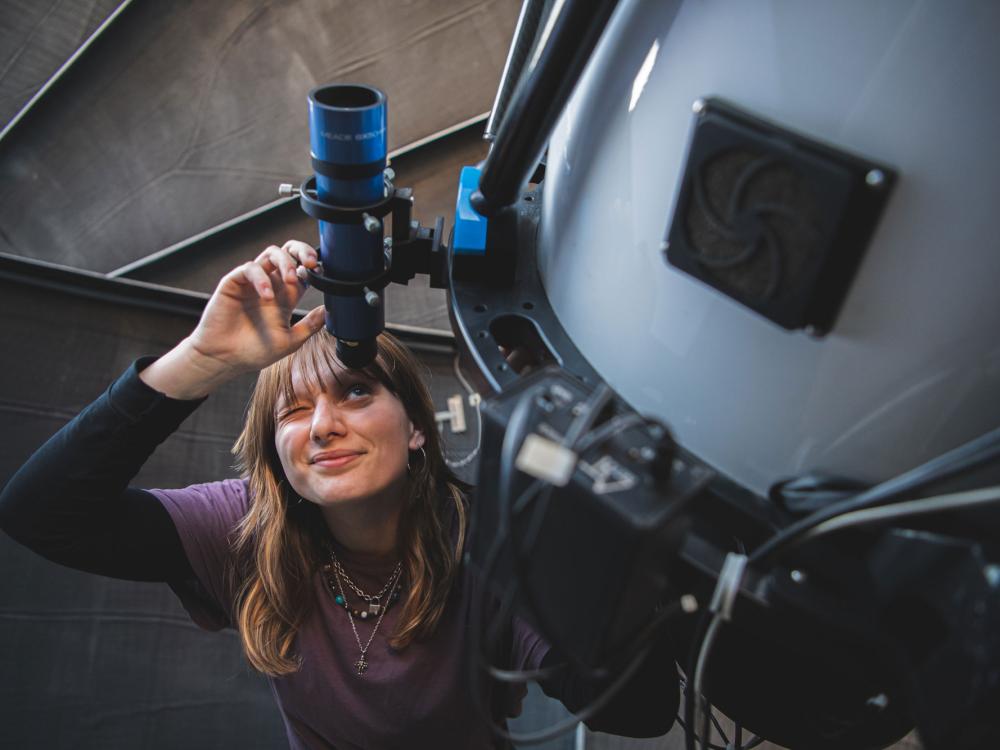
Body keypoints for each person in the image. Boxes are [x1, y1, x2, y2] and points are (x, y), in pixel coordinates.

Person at [0, 241, 678, 748]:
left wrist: (589, 517)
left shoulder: (486, 535)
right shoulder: (245, 525)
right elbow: (41, 512)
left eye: (356, 391)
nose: (323, 425)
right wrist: (204, 360)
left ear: (417, 427)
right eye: (292, 411)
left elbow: (636, 709)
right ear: (276, 451)